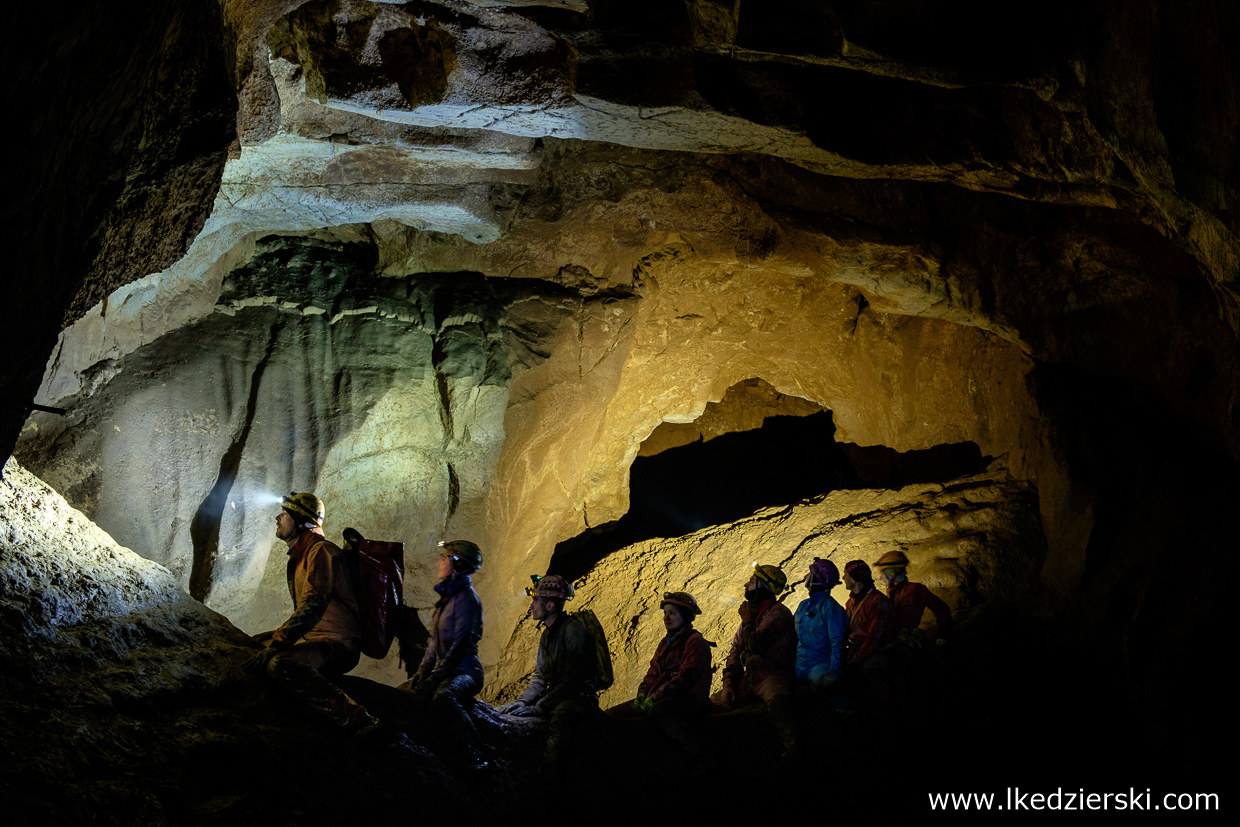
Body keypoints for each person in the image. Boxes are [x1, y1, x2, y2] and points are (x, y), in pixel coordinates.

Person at [251, 492, 380, 737]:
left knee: (282, 665)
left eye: (285, 513)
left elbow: (312, 605)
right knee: (255, 644)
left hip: (338, 644)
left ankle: (358, 720)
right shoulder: (304, 554)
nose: (278, 517)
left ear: (301, 521)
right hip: (316, 639)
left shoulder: (321, 552)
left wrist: (279, 642)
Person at [497, 574, 597, 779]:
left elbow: (574, 680)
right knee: (516, 712)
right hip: (559, 693)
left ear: (550, 605)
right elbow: (540, 676)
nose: (531, 606)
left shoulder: (574, 631)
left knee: (560, 717)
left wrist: (539, 707)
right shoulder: (547, 634)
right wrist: (522, 702)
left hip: (579, 697)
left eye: (535, 600)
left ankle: (550, 777)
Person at [402, 539, 487, 770]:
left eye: (444, 558)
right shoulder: (447, 599)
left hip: (466, 671)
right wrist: (422, 673)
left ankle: (479, 757)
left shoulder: (467, 600)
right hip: (447, 670)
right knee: (406, 691)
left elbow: (459, 646)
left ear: (457, 564)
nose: (439, 562)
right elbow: (433, 645)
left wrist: (436, 678)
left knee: (443, 698)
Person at [608, 591, 712, 765]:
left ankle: (699, 756)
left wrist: (655, 697)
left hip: (690, 699)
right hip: (663, 695)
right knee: (614, 714)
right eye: (665, 613)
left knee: (659, 712)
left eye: (672, 613)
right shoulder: (666, 642)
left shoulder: (695, 642)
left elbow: (686, 678)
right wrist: (642, 693)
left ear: (685, 616)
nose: (666, 618)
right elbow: (653, 671)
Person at [712, 563, 798, 758]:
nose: (746, 584)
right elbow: (735, 650)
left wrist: (747, 620)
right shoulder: (752, 615)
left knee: (777, 703)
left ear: (764, 586)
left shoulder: (779, 614)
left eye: (751, 581)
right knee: (715, 703)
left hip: (773, 674)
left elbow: (755, 644)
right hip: (750, 676)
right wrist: (728, 683)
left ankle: (794, 748)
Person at [873, 550, 952, 647]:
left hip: (906, 645)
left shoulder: (915, 590)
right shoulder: (890, 593)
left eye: (883, 574)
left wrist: (943, 637)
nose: (881, 578)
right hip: (892, 642)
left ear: (892, 574)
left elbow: (941, 609)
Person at [794, 558, 848, 690]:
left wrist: (833, 672)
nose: (806, 577)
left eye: (809, 574)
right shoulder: (803, 605)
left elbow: (838, 642)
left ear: (816, 578)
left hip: (820, 667)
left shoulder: (831, 607)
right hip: (800, 667)